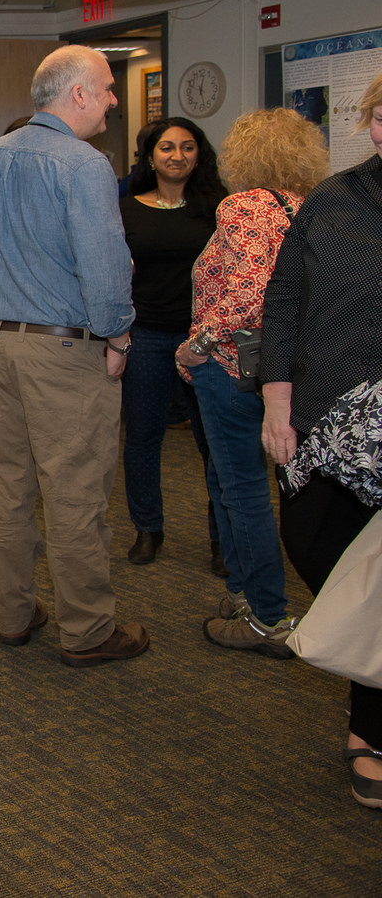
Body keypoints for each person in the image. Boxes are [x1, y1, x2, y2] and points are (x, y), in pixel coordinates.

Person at [0, 45, 149, 667]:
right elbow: (105, 267)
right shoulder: (85, 165)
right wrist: (119, 336)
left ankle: (13, 614)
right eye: (107, 88)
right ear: (78, 94)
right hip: (65, 351)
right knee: (75, 493)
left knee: (12, 488)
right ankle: (88, 631)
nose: (112, 100)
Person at [260, 67, 382, 809]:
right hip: (322, 417)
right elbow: (282, 301)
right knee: (312, 547)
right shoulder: (335, 199)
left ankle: (370, 725)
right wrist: (276, 402)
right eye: (380, 117)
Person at [175, 109, 328, 657]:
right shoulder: (308, 207)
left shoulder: (244, 206)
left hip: (231, 367)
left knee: (241, 490)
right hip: (286, 370)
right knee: (232, 482)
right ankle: (243, 593)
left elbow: (247, 296)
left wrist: (196, 346)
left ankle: (267, 616)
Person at [117, 117, 227, 566]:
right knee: (143, 438)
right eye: (166, 147)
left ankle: (222, 539)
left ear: (199, 155)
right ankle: (148, 530)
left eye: (187, 147)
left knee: (213, 442)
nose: (177, 156)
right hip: (146, 335)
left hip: (206, 340)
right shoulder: (126, 209)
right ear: (149, 157)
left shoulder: (219, 208)